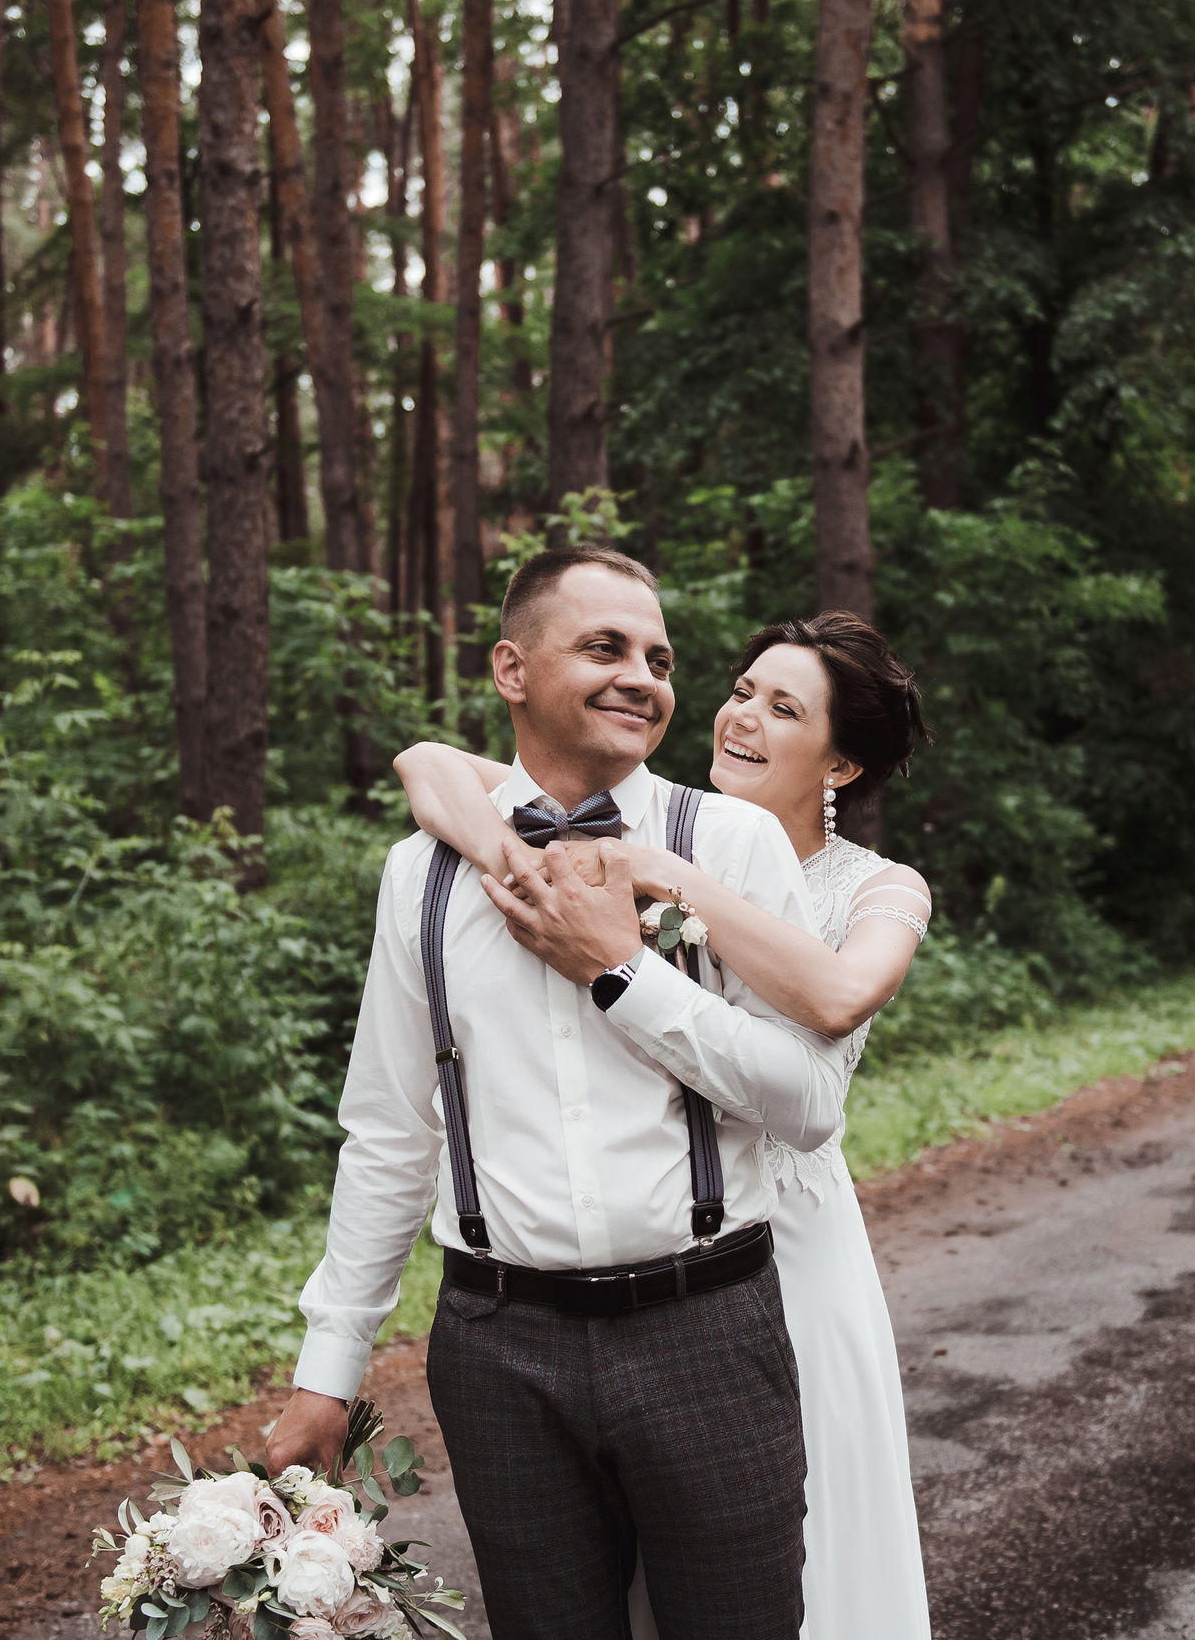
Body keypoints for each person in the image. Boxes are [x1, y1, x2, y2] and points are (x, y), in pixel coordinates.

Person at [268, 546, 851, 1640]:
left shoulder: (727, 845)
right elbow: (390, 1131)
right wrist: (327, 1370)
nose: (642, 677)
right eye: (604, 647)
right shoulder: (421, 873)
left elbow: (810, 1103)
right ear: (512, 669)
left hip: (709, 1331)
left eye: (659, 659)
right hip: (499, 1351)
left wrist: (623, 973)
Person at [396, 610, 937, 1640]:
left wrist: (669, 882)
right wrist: (516, 856)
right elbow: (428, 763)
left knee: (789, 1564)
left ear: (840, 763)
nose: (743, 716)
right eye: (740, 690)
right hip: (643, 1241)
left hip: (790, 1249)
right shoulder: (644, 821)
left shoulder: (874, 886)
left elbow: (834, 996)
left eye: (784, 708)